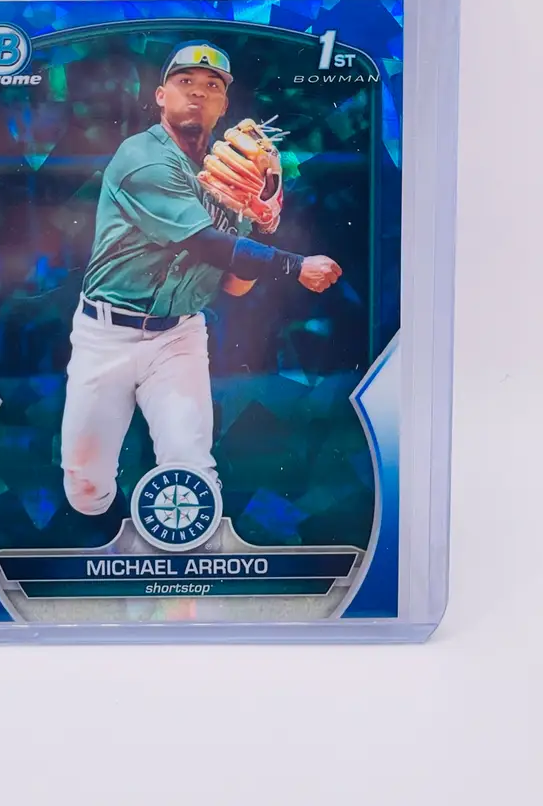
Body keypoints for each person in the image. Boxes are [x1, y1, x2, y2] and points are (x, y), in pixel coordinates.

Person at [60, 41, 341, 523]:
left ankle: (185, 558)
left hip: (179, 336)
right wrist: (295, 265)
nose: (198, 91)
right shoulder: (142, 157)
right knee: (86, 488)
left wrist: (262, 217)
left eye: (212, 85)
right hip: (106, 335)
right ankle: (97, 545)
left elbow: (234, 285)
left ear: (223, 105)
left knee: (192, 470)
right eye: (185, 81)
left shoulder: (229, 176)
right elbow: (208, 244)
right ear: (160, 96)